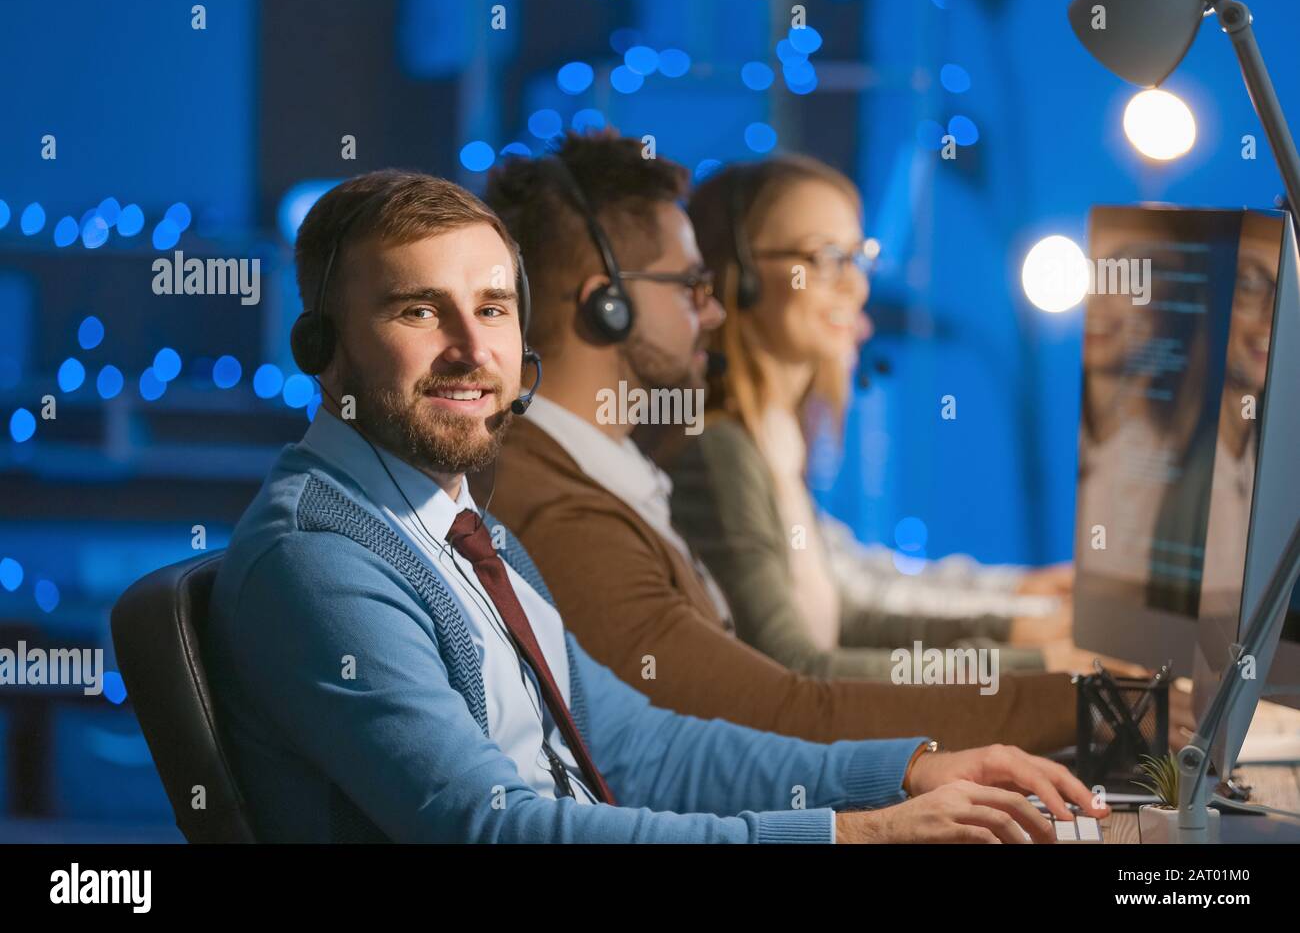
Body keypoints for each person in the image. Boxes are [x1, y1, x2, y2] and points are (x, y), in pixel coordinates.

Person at [203, 168, 1102, 843]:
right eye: (418, 313)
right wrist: (849, 834)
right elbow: (490, 831)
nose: (474, 350)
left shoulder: (463, 533)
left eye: (492, 309)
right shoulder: (319, 557)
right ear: (322, 348)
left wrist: (905, 771)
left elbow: (642, 747)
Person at [480, 130, 1085, 754]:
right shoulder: (577, 510)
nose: (710, 311)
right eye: (690, 286)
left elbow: (812, 648)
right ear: (610, 303)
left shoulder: (614, 474)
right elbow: (784, 707)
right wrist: (1067, 693)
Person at [670, 156, 1079, 682]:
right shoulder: (720, 449)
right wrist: (1040, 666)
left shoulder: (775, 439)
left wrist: (1023, 629)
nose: (856, 287)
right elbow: (796, 669)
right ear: (741, 276)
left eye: (859, 258)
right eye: (825, 257)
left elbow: (847, 616)